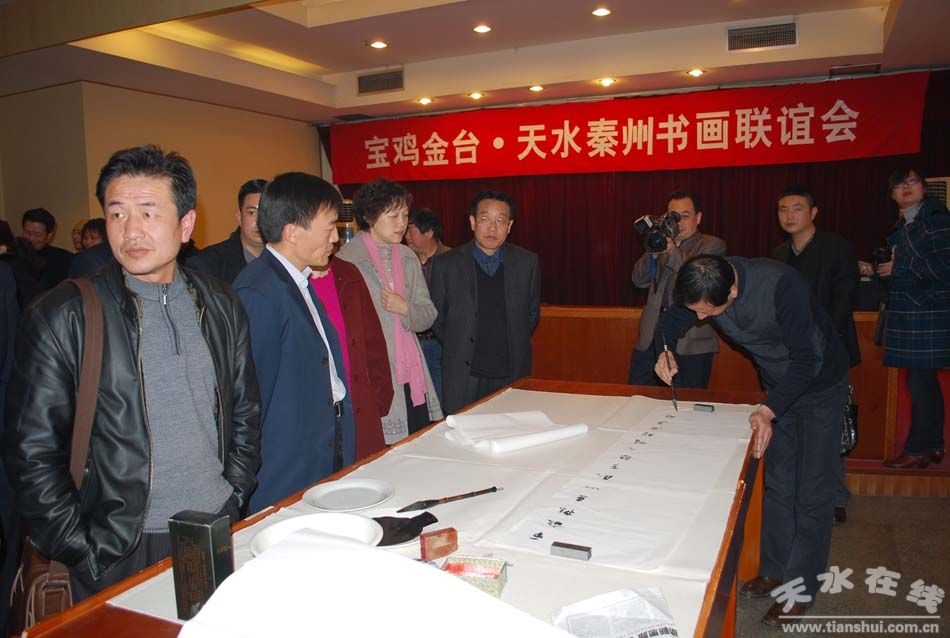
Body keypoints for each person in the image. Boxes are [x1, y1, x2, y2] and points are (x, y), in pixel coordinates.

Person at [3, 145, 261, 601]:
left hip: (212, 523)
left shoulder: (220, 303)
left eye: (148, 212)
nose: (131, 230)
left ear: (186, 224)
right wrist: (83, 550)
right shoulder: (64, 314)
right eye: (117, 213)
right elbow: (31, 450)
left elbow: (244, 410)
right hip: (117, 544)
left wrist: (233, 494)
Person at [656, 255, 849, 626]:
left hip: (821, 387)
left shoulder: (781, 286)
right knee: (778, 481)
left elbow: (807, 359)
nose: (700, 318)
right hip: (777, 387)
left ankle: (800, 589)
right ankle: (774, 570)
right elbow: (671, 322)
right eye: (696, 310)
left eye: (708, 311)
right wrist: (664, 350)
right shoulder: (703, 283)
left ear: (732, 290)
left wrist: (768, 410)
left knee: (813, 490)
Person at [233, 172, 356, 512]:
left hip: (321, 447)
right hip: (287, 468)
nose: (336, 238)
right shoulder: (259, 292)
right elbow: (251, 400)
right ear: (292, 232)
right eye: (328, 228)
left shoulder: (296, 280)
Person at [771, 185, 860, 525]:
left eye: (797, 208)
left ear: (813, 212)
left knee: (830, 429)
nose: (789, 215)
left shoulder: (837, 248)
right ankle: (796, 495)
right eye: (783, 209)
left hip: (830, 353)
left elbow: (843, 301)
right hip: (792, 358)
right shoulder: (779, 254)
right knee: (792, 428)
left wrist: (819, 344)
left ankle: (835, 497)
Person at [337, 179, 443, 443]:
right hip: (373, 371)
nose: (401, 223)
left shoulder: (408, 257)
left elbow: (428, 314)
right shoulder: (346, 260)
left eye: (405, 216)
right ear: (370, 216)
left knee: (417, 444)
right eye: (393, 215)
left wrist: (405, 309)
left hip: (411, 372)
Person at [430, 190, 541, 415]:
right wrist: (459, 344)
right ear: (472, 222)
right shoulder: (446, 264)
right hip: (463, 376)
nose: (492, 227)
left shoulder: (527, 262)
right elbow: (437, 319)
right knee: (464, 432)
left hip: (511, 373)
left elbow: (531, 315)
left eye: (500, 220)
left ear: (510, 226)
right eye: (485, 219)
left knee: (511, 432)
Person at [869, 168, 949, 469]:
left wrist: (899, 266)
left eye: (911, 181)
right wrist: (877, 271)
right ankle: (933, 445)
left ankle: (917, 448)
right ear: (892, 195)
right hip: (910, 312)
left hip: (929, 313)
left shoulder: (938, 220)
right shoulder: (902, 226)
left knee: (919, 384)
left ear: (924, 188)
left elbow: (944, 266)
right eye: (898, 185)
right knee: (924, 382)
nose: (905, 187)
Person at [627, 190, 726, 388]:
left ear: (698, 217)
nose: (678, 223)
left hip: (690, 342)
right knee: (637, 397)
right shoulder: (660, 243)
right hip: (650, 338)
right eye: (673, 217)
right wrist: (652, 251)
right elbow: (638, 280)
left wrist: (673, 250)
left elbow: (699, 278)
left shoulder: (712, 245)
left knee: (686, 402)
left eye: (685, 216)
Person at [310, 256, 394, 460]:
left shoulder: (347, 273)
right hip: (316, 419)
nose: (333, 240)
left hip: (359, 407)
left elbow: (374, 341)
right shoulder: (289, 281)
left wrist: (379, 397)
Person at [405, 207, 452, 404]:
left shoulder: (452, 259)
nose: (406, 236)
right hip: (412, 340)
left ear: (430, 232)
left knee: (441, 398)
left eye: (411, 230)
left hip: (440, 342)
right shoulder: (404, 259)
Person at [187, 179, 268, 284]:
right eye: (252, 213)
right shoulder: (207, 265)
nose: (259, 221)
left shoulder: (284, 261)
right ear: (239, 217)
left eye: (265, 212)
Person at [21, 207, 73, 290]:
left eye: (37, 234)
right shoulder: (12, 258)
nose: (31, 238)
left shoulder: (64, 259)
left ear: (49, 235)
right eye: (27, 233)